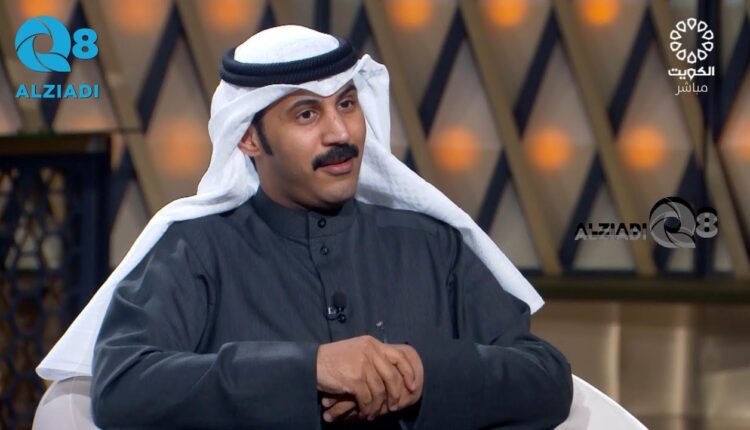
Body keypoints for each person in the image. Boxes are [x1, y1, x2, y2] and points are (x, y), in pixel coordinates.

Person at [37, 25, 572, 429]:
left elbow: (545, 377)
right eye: (306, 114)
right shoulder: (195, 250)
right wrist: (310, 369)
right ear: (249, 138)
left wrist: (419, 373)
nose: (341, 133)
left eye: (347, 104)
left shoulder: (433, 245)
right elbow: (123, 386)